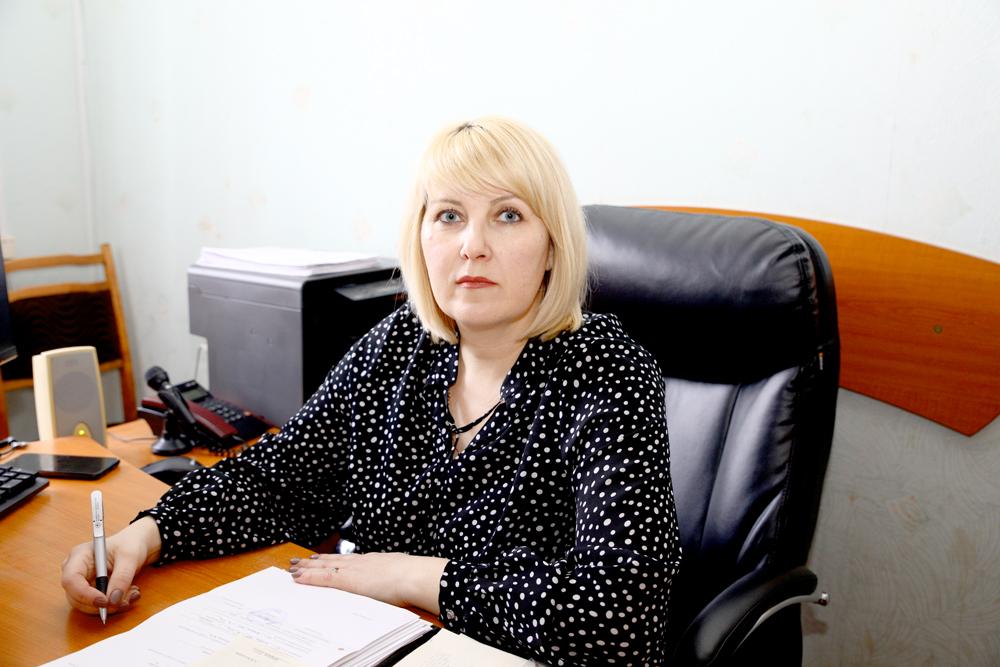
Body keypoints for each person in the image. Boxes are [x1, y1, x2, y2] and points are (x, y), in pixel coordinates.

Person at [61, 118, 682, 665]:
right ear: (422, 238)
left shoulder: (606, 367)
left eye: (509, 215)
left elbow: (622, 615)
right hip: (370, 639)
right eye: (449, 216)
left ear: (552, 246)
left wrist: (412, 576)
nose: (472, 245)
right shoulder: (402, 343)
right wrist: (147, 535)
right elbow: (281, 478)